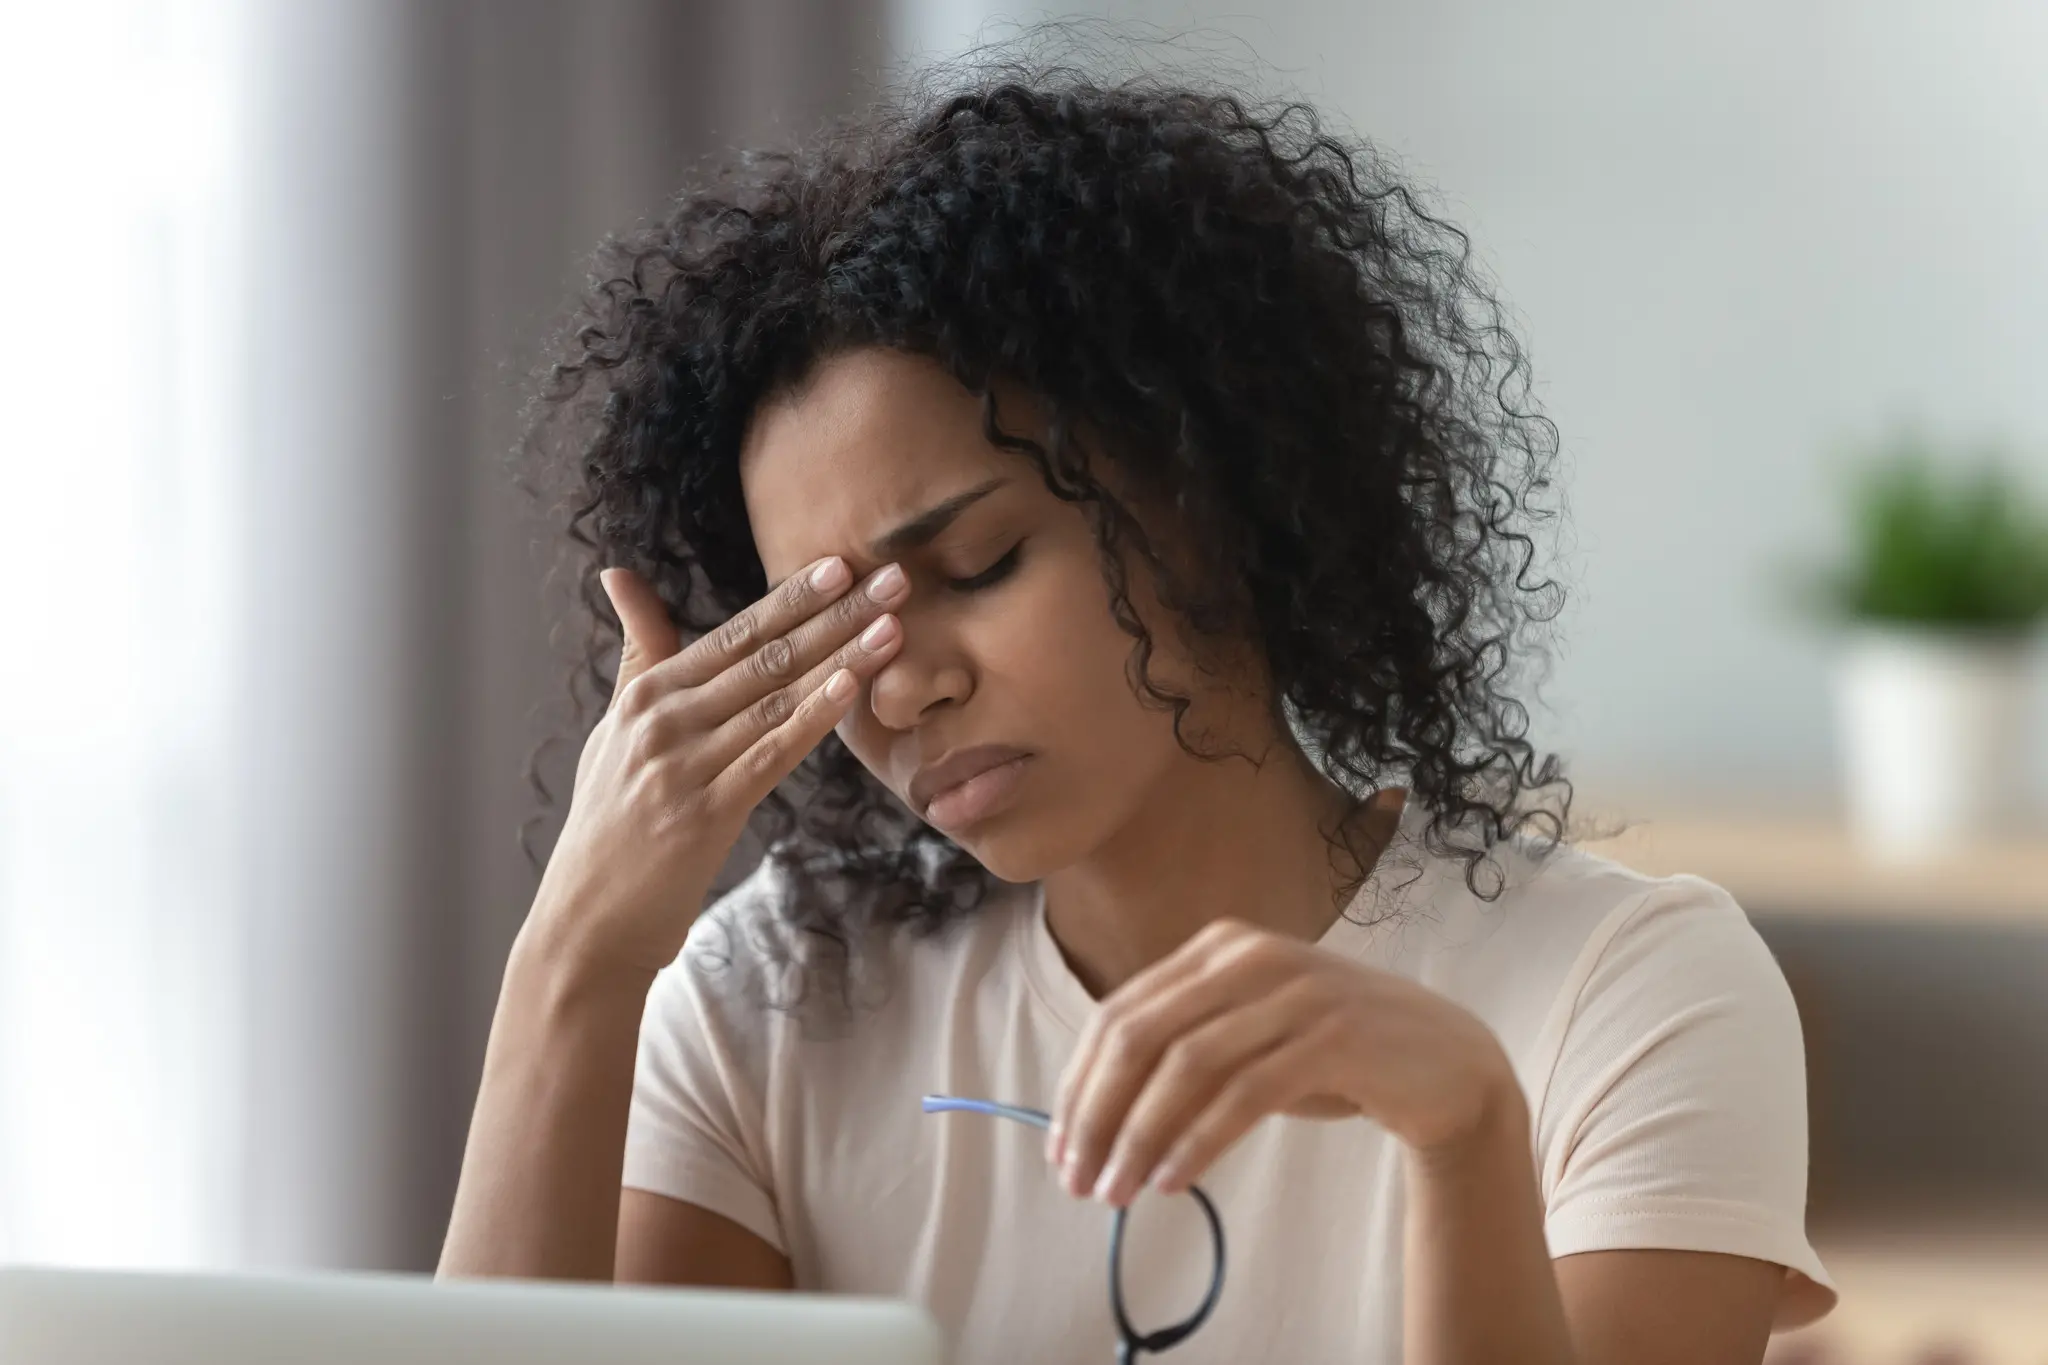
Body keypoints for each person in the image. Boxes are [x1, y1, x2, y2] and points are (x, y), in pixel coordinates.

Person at [438, 53, 1837, 1364]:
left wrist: (1466, 1134)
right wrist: (575, 959)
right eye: (832, 628)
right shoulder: (778, 1009)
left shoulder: (1626, 994)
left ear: (1212, 489)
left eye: (977, 565)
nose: (907, 681)